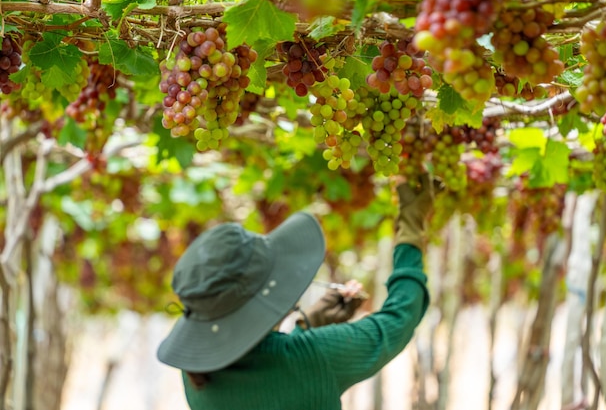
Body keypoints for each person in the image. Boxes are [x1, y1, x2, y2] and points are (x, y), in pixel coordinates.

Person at [156, 175, 434, 410]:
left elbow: (275, 375)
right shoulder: (317, 358)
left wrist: (307, 324)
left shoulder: (197, 375)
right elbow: (399, 319)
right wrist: (411, 224)